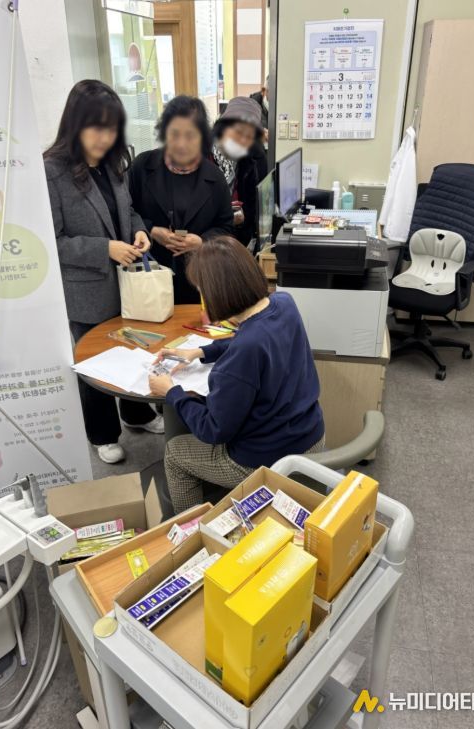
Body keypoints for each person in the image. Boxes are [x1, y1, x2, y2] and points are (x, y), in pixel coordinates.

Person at [148, 236, 325, 513]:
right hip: (311, 436)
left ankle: (191, 529)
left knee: (175, 454)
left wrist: (172, 392)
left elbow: (213, 430)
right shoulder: (283, 303)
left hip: (266, 459)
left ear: (216, 293)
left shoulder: (243, 354)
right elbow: (256, 339)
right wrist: (201, 351)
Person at [44, 79, 163, 465]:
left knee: (133, 351)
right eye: (96, 128)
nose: (104, 137)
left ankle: (137, 414)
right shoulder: (52, 171)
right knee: (94, 364)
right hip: (86, 289)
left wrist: (139, 231)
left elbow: (127, 211)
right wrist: (105, 249)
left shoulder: (114, 165)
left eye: (111, 128)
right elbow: (53, 241)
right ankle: (101, 434)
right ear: (75, 124)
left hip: (125, 285)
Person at [129, 95, 233, 303]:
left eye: (190, 135)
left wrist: (201, 242)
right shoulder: (142, 166)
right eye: (174, 134)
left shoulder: (214, 177)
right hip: (150, 278)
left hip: (200, 280)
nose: (181, 143)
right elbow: (127, 212)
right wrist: (151, 231)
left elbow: (226, 227)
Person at [211, 97, 268, 246]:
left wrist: (243, 220)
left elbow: (256, 202)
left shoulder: (255, 155)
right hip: (205, 237)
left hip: (239, 236)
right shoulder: (202, 154)